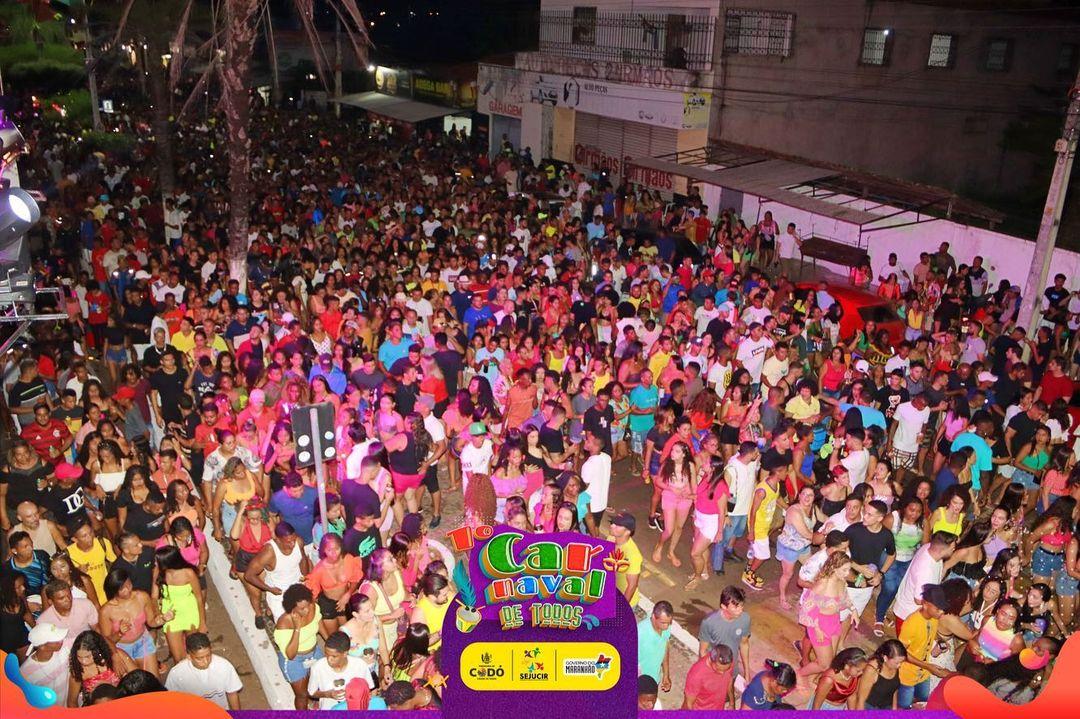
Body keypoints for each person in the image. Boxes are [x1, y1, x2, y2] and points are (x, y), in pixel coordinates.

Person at [897, 583, 951, 709]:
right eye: (938, 608)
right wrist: (928, 666)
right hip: (907, 675)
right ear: (925, 604)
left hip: (924, 673)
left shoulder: (934, 618)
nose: (942, 612)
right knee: (904, 706)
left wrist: (940, 640)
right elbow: (901, 653)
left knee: (923, 699)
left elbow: (930, 631)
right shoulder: (911, 623)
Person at [274, 584, 323, 710]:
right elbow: (290, 654)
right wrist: (297, 628)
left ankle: (315, 704)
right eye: (301, 608)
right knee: (302, 695)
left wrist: (330, 641)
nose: (306, 610)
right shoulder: (284, 622)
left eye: (308, 605)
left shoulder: (312, 607)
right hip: (294, 659)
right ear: (292, 607)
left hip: (313, 652)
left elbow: (319, 623)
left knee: (320, 683)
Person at [164, 632, 243, 709]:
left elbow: (232, 693)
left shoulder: (224, 665)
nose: (206, 662)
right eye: (199, 658)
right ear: (188, 656)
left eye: (208, 655)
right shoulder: (176, 674)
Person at [697, 585, 752, 681]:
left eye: (741, 605)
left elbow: (744, 644)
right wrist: (709, 673)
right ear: (723, 606)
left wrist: (747, 673)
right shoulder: (709, 622)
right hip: (714, 670)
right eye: (736, 607)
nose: (740, 610)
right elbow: (703, 651)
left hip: (732, 670)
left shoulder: (745, 619)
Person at [307, 630, 371, 709]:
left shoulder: (360, 665)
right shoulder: (317, 667)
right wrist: (328, 694)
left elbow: (370, 689)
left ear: (344, 653)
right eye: (326, 654)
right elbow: (311, 693)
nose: (329, 659)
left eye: (334, 656)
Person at [21, 622, 71, 703]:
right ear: (42, 646)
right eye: (56, 640)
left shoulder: (64, 647)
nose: (61, 640)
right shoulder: (26, 673)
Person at [856, 639, 906, 709]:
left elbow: (894, 688)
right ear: (885, 658)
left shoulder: (893, 665)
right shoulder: (871, 670)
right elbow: (861, 700)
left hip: (887, 705)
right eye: (897, 663)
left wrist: (894, 708)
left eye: (901, 662)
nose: (899, 665)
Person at [683, 644, 736, 710]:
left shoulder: (728, 663)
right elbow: (688, 704)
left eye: (726, 670)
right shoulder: (697, 674)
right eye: (718, 669)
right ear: (711, 660)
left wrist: (732, 703)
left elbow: (729, 681)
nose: (722, 673)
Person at [607, 511, 642, 607]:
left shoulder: (633, 555)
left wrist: (621, 608)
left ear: (627, 532)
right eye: (613, 522)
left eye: (617, 525)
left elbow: (632, 586)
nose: (612, 526)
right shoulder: (612, 537)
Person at [637, 600, 673, 692]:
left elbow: (665, 647)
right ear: (653, 617)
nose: (666, 626)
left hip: (654, 680)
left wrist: (666, 675)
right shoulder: (639, 634)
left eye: (669, 623)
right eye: (663, 623)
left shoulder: (666, 626)